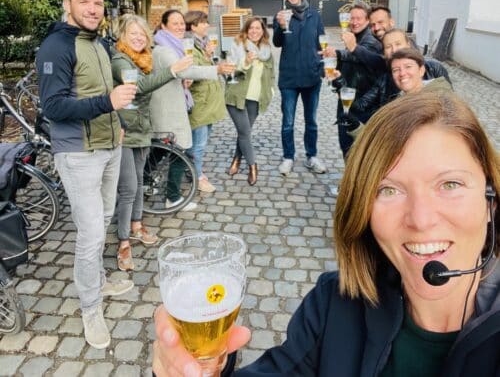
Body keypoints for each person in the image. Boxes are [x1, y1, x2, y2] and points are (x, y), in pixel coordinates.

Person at [152, 91, 500, 376]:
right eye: (388, 190)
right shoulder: (335, 304)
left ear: (491, 200)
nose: (421, 220)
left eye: (450, 184)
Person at [36, 0, 137, 349]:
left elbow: (102, 92)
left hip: (109, 146)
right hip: (78, 153)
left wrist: (117, 121)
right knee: (92, 233)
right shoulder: (56, 47)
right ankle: (90, 308)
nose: (93, 9)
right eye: (84, 2)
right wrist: (108, 103)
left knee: (104, 218)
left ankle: (98, 282)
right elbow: (53, 107)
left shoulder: (98, 42)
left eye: (97, 3)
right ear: (68, 4)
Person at [111, 15, 192, 271]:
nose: (138, 38)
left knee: (137, 183)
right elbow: (139, 87)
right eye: (133, 34)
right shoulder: (120, 60)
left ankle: (136, 225)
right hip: (124, 132)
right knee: (128, 188)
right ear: (123, 36)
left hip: (141, 130)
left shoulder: (142, 59)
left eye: (142, 34)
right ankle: (123, 241)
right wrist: (172, 71)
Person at [150, 10, 234, 208]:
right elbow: (184, 70)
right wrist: (216, 69)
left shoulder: (174, 45)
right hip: (168, 108)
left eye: (181, 23)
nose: (180, 26)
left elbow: (178, 74)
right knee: (183, 149)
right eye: (175, 23)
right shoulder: (165, 50)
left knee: (163, 149)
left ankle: (146, 181)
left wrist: (186, 80)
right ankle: (173, 198)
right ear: (164, 26)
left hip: (175, 103)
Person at [273, 0, 326, 176]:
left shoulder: (314, 15)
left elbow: (321, 42)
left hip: (312, 77)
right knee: (288, 122)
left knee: (311, 121)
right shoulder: (281, 15)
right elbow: (277, 42)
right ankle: (288, 157)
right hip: (289, 79)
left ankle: (312, 156)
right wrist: (280, 26)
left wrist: (323, 68)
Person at [351, 28, 451, 117]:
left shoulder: (433, 68)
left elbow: (451, 104)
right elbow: (361, 105)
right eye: (388, 46)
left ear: (408, 45)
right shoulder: (385, 79)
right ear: (384, 52)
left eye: (398, 44)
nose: (394, 50)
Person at [329, 2, 386, 157]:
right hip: (348, 100)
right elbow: (350, 63)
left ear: (367, 20)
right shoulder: (354, 37)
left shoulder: (370, 40)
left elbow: (360, 56)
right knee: (347, 148)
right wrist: (335, 72)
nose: (354, 22)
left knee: (356, 151)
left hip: (361, 106)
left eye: (358, 18)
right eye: (351, 18)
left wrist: (338, 53)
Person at [225, 17, 275, 186]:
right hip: (236, 96)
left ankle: (236, 159)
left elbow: (271, 74)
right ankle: (253, 167)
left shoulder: (266, 50)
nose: (254, 31)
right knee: (245, 132)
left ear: (263, 31)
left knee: (243, 133)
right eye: (251, 28)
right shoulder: (237, 46)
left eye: (258, 28)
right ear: (246, 30)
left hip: (256, 98)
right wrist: (245, 62)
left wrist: (271, 91)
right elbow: (229, 70)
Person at [184, 10, 228, 194]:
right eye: (203, 22)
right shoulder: (188, 44)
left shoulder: (202, 43)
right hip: (199, 101)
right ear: (193, 26)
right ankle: (197, 176)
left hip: (207, 102)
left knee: (200, 141)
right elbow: (193, 70)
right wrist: (208, 57)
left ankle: (192, 169)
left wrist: (210, 55)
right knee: (198, 144)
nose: (207, 25)